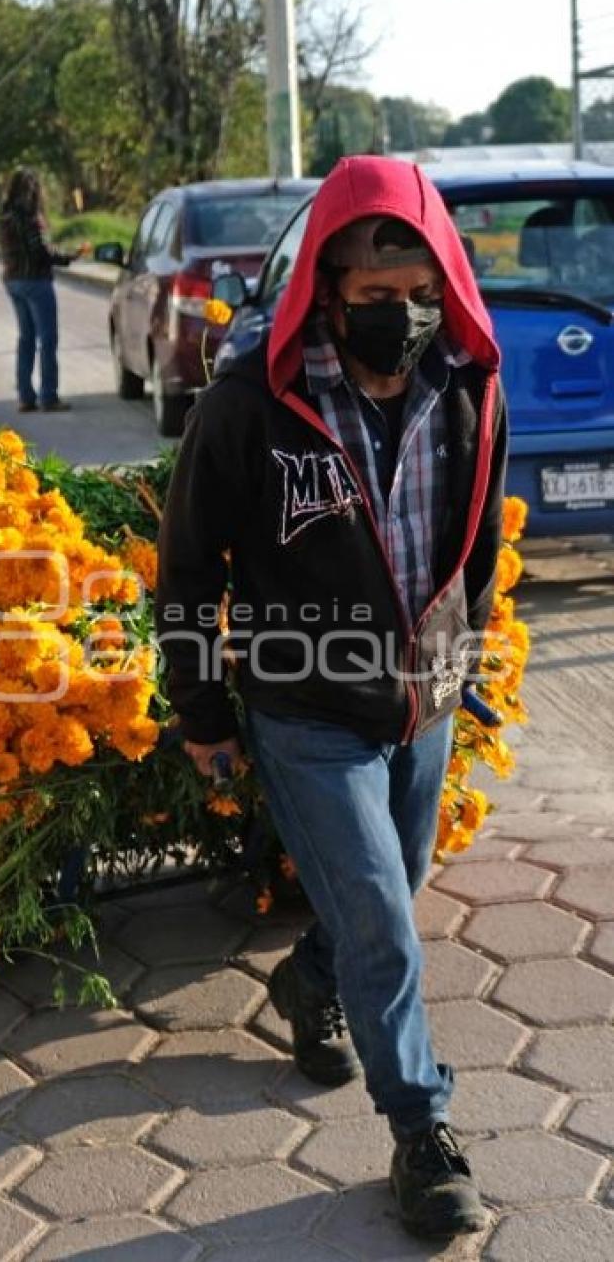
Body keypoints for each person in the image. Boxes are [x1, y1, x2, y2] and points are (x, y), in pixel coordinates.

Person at [155, 155, 507, 1241]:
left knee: (384, 896)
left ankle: (309, 985)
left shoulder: (467, 385)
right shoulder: (252, 403)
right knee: (383, 924)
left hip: (422, 699)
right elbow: (187, 566)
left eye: (418, 298)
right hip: (306, 706)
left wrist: (470, 652)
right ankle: (420, 1130)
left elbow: (478, 538)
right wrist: (204, 711)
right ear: (326, 287)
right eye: (372, 301)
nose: (400, 319)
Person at [0, 167, 87, 413]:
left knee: (25, 338)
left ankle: (26, 397)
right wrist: (71, 255)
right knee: (47, 340)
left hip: (13, 281)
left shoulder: (6, 216)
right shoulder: (30, 217)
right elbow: (42, 253)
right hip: (36, 282)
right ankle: (49, 396)